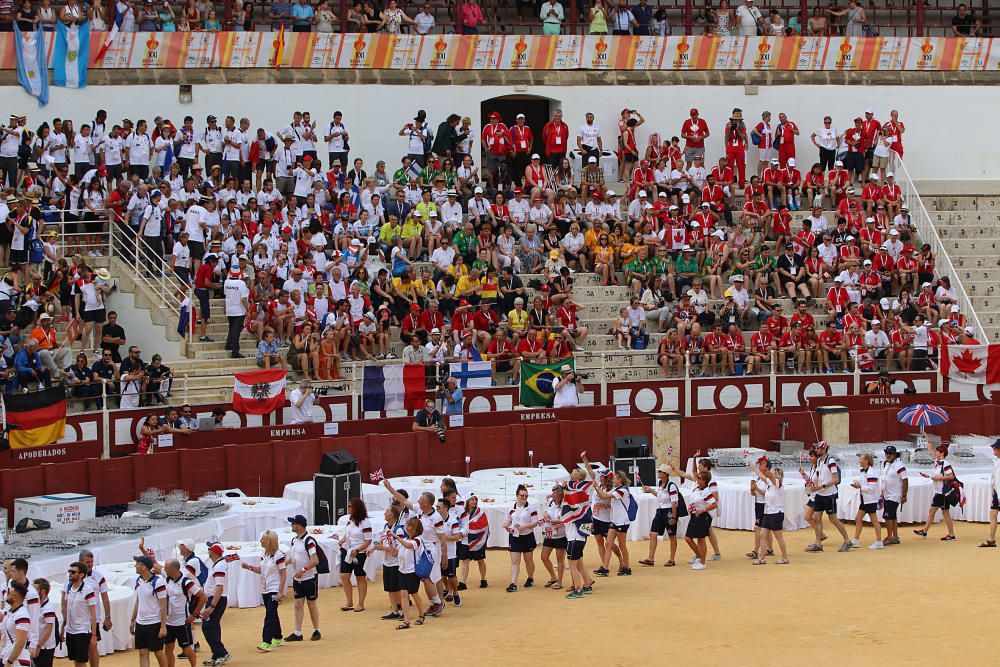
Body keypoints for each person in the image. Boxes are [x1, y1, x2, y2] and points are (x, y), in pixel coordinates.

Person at [801, 442, 851, 553]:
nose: (817, 449)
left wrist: (821, 486)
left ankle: (847, 540)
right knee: (817, 519)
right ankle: (818, 544)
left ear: (824, 449)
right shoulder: (819, 461)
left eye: (819, 448)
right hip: (820, 494)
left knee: (833, 519)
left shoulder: (831, 462)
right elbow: (818, 477)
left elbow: (836, 479)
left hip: (829, 495)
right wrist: (810, 483)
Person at [239, 531, 285, 652]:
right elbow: (262, 570)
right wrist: (249, 567)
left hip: (274, 589)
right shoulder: (264, 553)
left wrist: (280, 591)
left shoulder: (279, 555)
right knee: (272, 613)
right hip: (265, 588)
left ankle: (266, 641)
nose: (260, 541)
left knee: (269, 615)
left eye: (263, 539)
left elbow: (283, 574)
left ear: (269, 541)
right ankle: (278, 637)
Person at [639, 464, 685, 567]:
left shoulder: (671, 486)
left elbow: (674, 502)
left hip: (669, 512)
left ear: (665, 474)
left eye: (660, 471)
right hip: (660, 511)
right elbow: (660, 496)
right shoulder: (661, 483)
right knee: (652, 533)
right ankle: (650, 559)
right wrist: (651, 491)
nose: (658, 473)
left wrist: (673, 516)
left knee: (672, 535)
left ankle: (672, 559)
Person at [161, 558, 204, 667]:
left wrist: (194, 615)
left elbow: (203, 597)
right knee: (168, 648)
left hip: (182, 622)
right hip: (169, 621)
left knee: (186, 649)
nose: (164, 570)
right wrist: (144, 552)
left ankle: (194, 666)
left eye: (166, 568)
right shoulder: (168, 579)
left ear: (174, 569)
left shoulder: (186, 582)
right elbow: (155, 565)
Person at [284, 515, 321, 641]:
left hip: (309, 578)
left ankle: (316, 630)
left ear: (299, 526)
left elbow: (315, 560)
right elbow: (297, 557)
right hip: (298, 579)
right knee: (298, 604)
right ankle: (298, 632)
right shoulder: (294, 540)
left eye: (293, 523)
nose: (291, 525)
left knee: (311, 605)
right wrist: (288, 561)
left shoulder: (309, 541)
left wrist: (303, 570)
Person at [748, 457, 789, 565]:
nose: (771, 473)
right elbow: (761, 476)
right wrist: (753, 467)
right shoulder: (770, 485)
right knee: (762, 534)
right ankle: (761, 558)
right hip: (768, 512)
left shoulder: (779, 485)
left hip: (776, 513)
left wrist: (765, 467)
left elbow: (768, 475)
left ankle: (784, 557)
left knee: (779, 537)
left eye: (773, 472)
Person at [914, 443, 958, 541]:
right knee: (941, 512)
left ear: (941, 453)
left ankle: (926, 531)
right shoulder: (938, 461)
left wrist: (938, 478)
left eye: (937, 451)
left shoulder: (945, 464)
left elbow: (951, 476)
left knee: (935, 511)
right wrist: (927, 440)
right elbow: (930, 451)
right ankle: (926, 531)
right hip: (940, 492)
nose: (935, 453)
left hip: (942, 493)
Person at [390, 517, 429, 629]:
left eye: (409, 525)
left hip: (412, 571)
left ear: (415, 528)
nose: (407, 527)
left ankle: (421, 614)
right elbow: (396, 552)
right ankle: (406, 620)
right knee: (404, 594)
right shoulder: (406, 539)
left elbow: (408, 546)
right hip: (402, 570)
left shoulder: (418, 540)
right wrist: (391, 542)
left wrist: (395, 537)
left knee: (414, 594)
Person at [370, 505, 407, 621]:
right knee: (390, 588)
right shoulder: (387, 526)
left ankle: (402, 611)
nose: (384, 514)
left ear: (392, 515)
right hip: (387, 562)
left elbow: (397, 550)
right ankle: (395, 611)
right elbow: (381, 540)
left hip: (396, 563)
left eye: (386, 512)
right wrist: (373, 548)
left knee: (397, 588)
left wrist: (382, 548)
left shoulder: (399, 530)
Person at [129, 555, 167, 667]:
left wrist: (163, 627)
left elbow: (163, 606)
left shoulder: (158, 582)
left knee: (158, 652)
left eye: (137, 564)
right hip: (141, 623)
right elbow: (138, 601)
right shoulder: (139, 580)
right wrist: (133, 619)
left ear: (143, 567)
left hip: (154, 623)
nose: (135, 566)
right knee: (142, 652)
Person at [338, 498, 372, 613]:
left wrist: (357, 550)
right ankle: (349, 601)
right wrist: (343, 539)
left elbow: (368, 541)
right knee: (344, 576)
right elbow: (348, 534)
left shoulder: (365, 522)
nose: (348, 508)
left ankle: (361, 603)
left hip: (359, 553)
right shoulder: (350, 520)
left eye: (349, 506)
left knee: (360, 577)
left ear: (356, 508)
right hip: (347, 551)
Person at [60, 562, 97, 667]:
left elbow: (93, 613)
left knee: (81, 661)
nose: (70, 574)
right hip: (70, 630)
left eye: (73, 572)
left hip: (82, 631)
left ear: (81, 575)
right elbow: (67, 610)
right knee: (75, 660)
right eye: (69, 572)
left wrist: (93, 635)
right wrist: (63, 628)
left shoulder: (87, 589)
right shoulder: (68, 587)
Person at [504, 484, 538, 593]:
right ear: (517, 496)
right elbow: (509, 520)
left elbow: (535, 523)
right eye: (522, 495)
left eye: (526, 496)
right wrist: (506, 524)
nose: (524, 497)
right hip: (514, 537)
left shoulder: (531, 508)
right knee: (515, 561)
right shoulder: (511, 508)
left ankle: (530, 577)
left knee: (528, 560)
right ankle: (513, 583)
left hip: (527, 537)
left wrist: (524, 527)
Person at [200, 544, 229, 666]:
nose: (208, 551)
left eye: (209, 549)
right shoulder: (218, 565)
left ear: (214, 551)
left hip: (216, 600)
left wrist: (211, 607)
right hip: (216, 599)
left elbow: (219, 588)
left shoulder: (219, 567)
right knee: (213, 626)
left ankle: (222, 653)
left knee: (207, 627)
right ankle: (216, 654)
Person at [849, 452, 884, 550]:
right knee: (858, 519)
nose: (859, 460)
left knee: (875, 522)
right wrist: (859, 484)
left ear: (866, 461)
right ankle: (856, 540)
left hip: (871, 501)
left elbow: (871, 489)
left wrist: (859, 486)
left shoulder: (871, 473)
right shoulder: (864, 472)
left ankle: (878, 542)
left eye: (861, 459)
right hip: (865, 500)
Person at [685, 471, 718, 570]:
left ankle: (702, 562)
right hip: (694, 515)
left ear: (704, 481)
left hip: (703, 517)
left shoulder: (707, 491)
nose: (697, 479)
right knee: (688, 538)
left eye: (699, 478)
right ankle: (699, 556)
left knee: (701, 539)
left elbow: (714, 504)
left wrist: (702, 510)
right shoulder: (696, 489)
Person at [458, 494, 489, 591]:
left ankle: (483, 579)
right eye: (472, 499)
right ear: (467, 501)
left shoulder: (480, 513)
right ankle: (462, 582)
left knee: (480, 561)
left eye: (476, 499)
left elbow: (483, 525)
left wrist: (466, 530)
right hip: (465, 540)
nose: (474, 501)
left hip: (476, 541)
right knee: (465, 561)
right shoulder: (462, 513)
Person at [539, 486, 567, 589]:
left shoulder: (565, 505)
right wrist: (546, 515)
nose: (552, 494)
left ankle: (559, 582)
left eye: (554, 493)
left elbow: (568, 519)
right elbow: (546, 511)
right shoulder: (551, 502)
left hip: (561, 535)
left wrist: (560, 523)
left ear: (559, 495)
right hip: (550, 533)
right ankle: (553, 577)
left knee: (560, 559)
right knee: (544, 557)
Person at [881, 445, 908, 546]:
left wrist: (904, 495)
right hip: (888, 494)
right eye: (887, 453)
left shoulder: (899, 465)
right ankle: (895, 536)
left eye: (890, 453)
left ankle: (889, 537)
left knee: (888, 516)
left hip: (894, 495)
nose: (888, 455)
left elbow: (905, 480)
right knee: (892, 516)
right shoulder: (887, 464)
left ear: (895, 455)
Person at [2, 582, 31, 667]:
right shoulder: (11, 611)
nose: (6, 595)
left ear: (15, 597)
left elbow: (20, 643)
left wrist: (9, 662)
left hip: (17, 661)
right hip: (9, 656)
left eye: (8, 593)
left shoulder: (22, 615)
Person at [222, 266, 249, 359]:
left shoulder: (226, 282)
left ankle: (228, 345)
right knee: (236, 331)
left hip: (230, 309)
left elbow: (226, 295)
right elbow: (244, 299)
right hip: (239, 311)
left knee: (231, 328)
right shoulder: (241, 283)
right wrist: (248, 310)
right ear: (239, 273)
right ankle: (235, 351)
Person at [981, 440, 1000, 548]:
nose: (993, 450)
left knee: (993, 513)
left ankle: (991, 539)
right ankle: (991, 539)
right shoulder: (997, 461)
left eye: (995, 448)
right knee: (993, 513)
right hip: (997, 493)